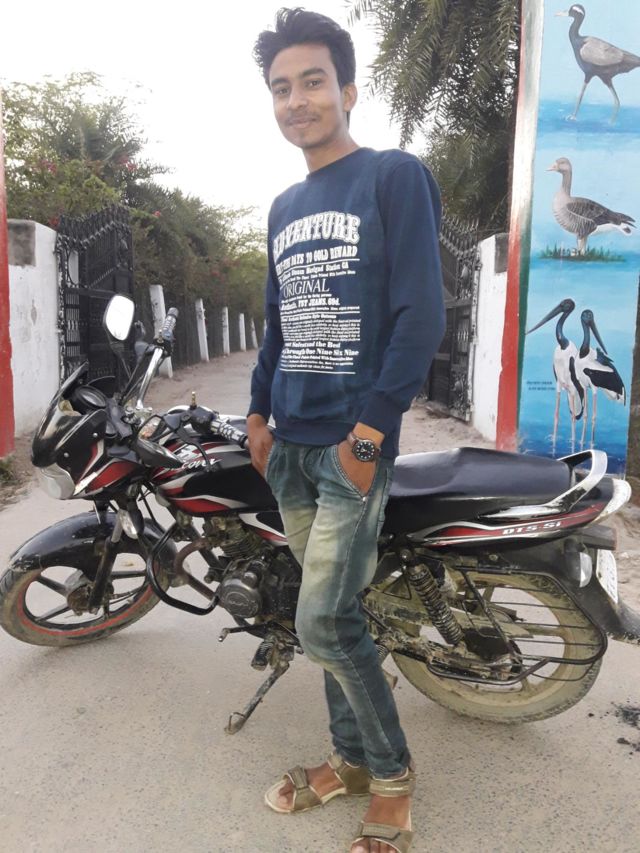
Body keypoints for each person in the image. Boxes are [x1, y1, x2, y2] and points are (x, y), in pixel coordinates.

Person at [247, 9, 445, 852]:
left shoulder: (393, 176)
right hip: (289, 448)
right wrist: (257, 412)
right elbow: (277, 322)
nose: (297, 100)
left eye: (313, 81)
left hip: (348, 447)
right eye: (281, 88)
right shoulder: (284, 206)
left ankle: (391, 779)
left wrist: (370, 434)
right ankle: (350, 758)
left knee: (324, 622)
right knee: (334, 614)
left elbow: (420, 314)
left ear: (348, 90)